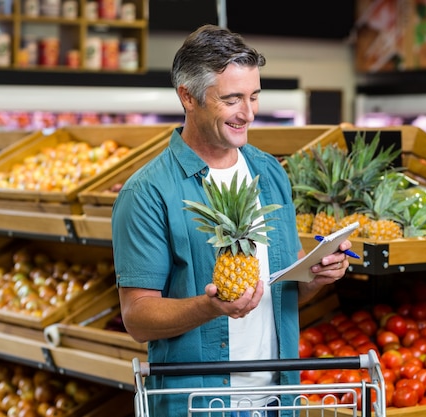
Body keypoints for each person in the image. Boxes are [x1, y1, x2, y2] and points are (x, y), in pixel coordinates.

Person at [111, 24, 352, 417]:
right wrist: (211, 307)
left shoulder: (270, 174)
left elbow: (282, 291)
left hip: (278, 398)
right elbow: (137, 317)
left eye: (254, 96)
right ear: (187, 97)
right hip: (197, 405)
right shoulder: (148, 193)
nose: (249, 112)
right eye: (232, 98)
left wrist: (315, 276)